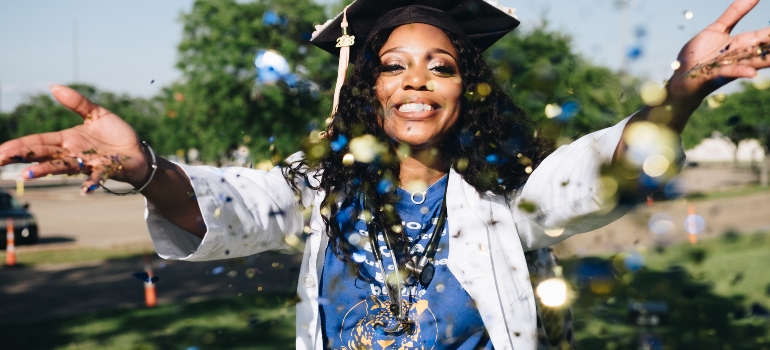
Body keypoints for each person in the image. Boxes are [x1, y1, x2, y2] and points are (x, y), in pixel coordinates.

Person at [1, 0, 768, 348]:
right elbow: (232, 207)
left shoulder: (510, 193)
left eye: (440, 66)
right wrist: (145, 171)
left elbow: (599, 170)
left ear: (467, 87)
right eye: (393, 66)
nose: (415, 81)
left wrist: (683, 91)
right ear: (369, 87)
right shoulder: (321, 189)